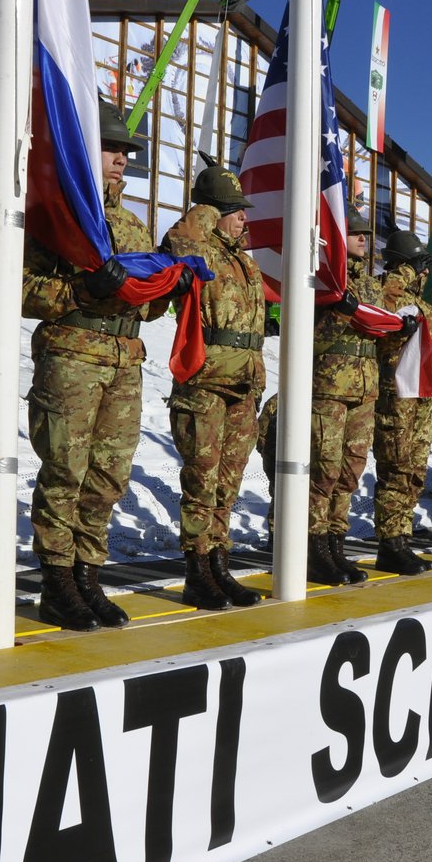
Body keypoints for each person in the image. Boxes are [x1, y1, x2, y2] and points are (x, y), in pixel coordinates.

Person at [22, 100, 181, 630]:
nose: (121, 160)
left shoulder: (134, 227)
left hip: (124, 359)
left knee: (108, 475)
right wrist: (79, 288)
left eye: (125, 152)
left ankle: (88, 575)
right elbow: (20, 287)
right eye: (111, 149)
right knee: (65, 470)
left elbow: (148, 305)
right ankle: (57, 582)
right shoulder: (56, 215)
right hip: (71, 355)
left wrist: (165, 289)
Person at [165, 166, 266, 609]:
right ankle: (197, 571)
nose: (242, 218)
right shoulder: (197, 247)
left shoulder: (243, 260)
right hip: (205, 380)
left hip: (243, 381)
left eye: (241, 210)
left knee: (228, 483)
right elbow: (176, 243)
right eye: (231, 210)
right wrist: (206, 208)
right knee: (201, 481)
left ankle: (219, 562)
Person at [308, 208, 404, 584]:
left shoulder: (369, 286)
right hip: (329, 389)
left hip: (364, 389)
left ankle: (335, 541)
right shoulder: (322, 280)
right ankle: (314, 545)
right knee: (324, 471)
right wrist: (339, 313)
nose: (365, 239)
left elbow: (376, 329)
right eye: (356, 233)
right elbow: (309, 339)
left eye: (367, 234)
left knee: (349, 472)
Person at [372, 230, 432, 574]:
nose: (424, 273)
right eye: (419, 266)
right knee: (396, 469)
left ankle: (402, 537)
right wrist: (407, 270)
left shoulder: (422, 303)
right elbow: (383, 303)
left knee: (414, 472)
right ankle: (390, 542)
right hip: (396, 398)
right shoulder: (387, 290)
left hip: (421, 402)